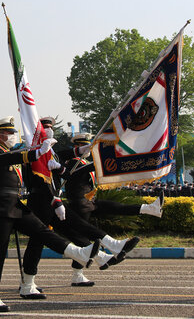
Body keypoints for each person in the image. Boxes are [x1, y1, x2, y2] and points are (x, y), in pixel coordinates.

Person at [0, 116, 100, 312]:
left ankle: (77, 252)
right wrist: (34, 153)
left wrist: (37, 153)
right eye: (9, 133)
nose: (13, 135)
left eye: (13, 132)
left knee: (42, 231)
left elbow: (19, 157)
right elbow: (10, 158)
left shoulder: (9, 152)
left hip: (15, 204)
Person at [22, 118, 143, 291]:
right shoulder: (32, 153)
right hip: (40, 202)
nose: (49, 130)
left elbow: (69, 157)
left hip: (54, 201)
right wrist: (54, 198)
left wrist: (85, 149)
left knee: (77, 227)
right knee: (37, 242)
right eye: (45, 128)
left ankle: (111, 246)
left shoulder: (52, 153)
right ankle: (27, 282)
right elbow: (38, 182)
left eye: (50, 128)